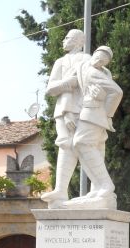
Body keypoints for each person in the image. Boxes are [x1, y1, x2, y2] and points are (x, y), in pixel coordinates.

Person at [41, 29, 91, 207]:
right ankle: (60, 190)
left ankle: (98, 189)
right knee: (65, 145)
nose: (63, 40)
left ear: (78, 41)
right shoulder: (60, 62)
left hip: (81, 109)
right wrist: (67, 83)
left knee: (85, 145)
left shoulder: (87, 59)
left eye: (67, 37)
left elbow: (88, 83)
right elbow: (50, 88)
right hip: (62, 110)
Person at [68, 45, 123, 208]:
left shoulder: (97, 73)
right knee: (92, 147)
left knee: (81, 143)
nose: (100, 61)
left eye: (104, 61)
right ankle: (98, 186)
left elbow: (117, 92)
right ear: (95, 54)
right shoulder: (82, 66)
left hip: (94, 114)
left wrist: (106, 114)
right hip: (86, 112)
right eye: (100, 56)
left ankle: (106, 184)